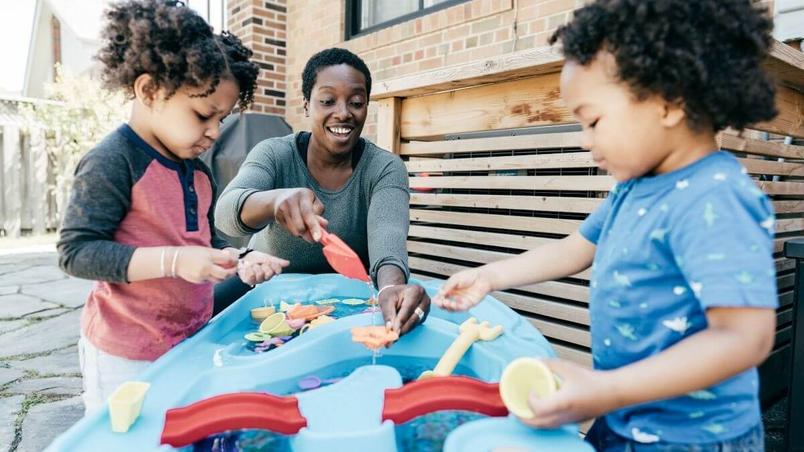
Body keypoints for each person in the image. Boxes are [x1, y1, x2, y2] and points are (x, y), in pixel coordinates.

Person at [434, 0, 778, 449]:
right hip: (621, 414)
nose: (586, 142)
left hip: (690, 438)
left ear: (669, 100)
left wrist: (604, 389)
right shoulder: (634, 189)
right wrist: (490, 276)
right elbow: (574, 249)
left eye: (593, 121)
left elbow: (743, 338)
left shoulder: (715, 198)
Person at [57, 0, 288, 415]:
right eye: (203, 115)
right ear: (149, 91)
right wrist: (174, 261)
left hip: (188, 339)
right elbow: (77, 252)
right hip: (125, 353)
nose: (215, 132)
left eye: (222, 119)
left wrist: (242, 258)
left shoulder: (197, 172)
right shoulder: (113, 161)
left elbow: (207, 242)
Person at [215, 48, 430, 336]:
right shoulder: (275, 154)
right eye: (327, 101)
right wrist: (275, 201)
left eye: (356, 102)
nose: (343, 113)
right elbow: (225, 213)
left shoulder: (384, 168)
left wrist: (390, 289)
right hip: (265, 291)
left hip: (344, 301)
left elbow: (387, 243)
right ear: (306, 105)